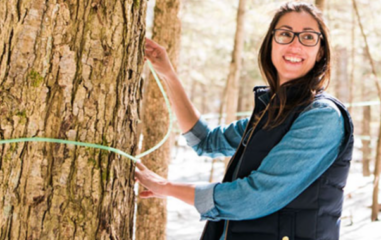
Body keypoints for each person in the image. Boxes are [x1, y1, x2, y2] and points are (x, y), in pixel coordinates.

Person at [135, 2, 354, 240]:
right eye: (285, 34)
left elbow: (251, 199)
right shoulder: (271, 112)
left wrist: (166, 187)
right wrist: (168, 75)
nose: (295, 44)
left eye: (308, 37)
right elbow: (206, 141)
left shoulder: (322, 116)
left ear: (321, 50)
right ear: (271, 42)